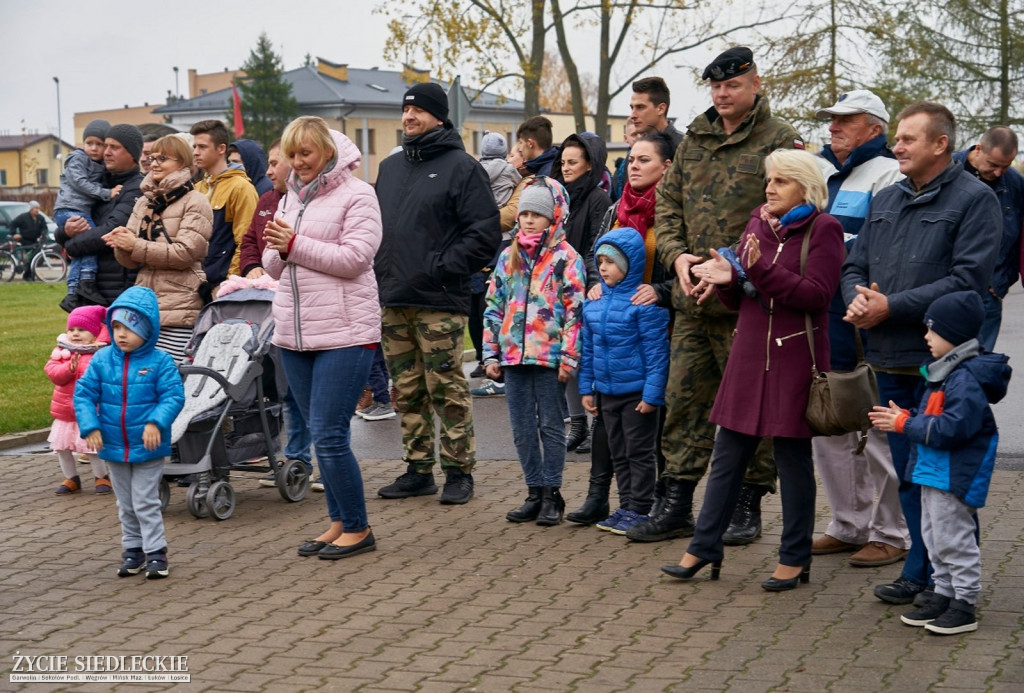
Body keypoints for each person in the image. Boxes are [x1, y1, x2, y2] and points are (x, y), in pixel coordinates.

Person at [640, 46, 804, 545]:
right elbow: (668, 204)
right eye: (714, 86)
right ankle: (677, 502)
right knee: (683, 400)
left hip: (749, 304)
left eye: (731, 85)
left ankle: (747, 502)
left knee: (752, 406)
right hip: (693, 300)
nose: (722, 94)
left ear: (756, 83)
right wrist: (677, 257)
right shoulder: (695, 141)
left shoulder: (780, 141)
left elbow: (791, 216)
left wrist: (728, 266)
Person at [662, 148, 844, 589]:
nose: (769, 187)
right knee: (727, 455)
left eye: (781, 180)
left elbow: (816, 296)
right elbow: (743, 294)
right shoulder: (757, 225)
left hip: (796, 358)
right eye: (769, 179)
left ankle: (795, 557)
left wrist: (756, 269)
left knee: (792, 458)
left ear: (806, 185)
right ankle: (704, 546)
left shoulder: (825, 229)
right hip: (748, 357)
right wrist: (726, 282)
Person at [842, 101, 1002, 605]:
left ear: (941, 144)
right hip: (888, 356)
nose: (898, 146)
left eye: (910, 138)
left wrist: (890, 306)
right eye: (898, 138)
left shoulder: (975, 200)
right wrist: (858, 300)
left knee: (944, 478)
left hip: (941, 366)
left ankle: (954, 583)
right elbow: (854, 264)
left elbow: (967, 282)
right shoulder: (886, 198)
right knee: (910, 473)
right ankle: (920, 569)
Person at [374, 81, 500, 505]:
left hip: (439, 300)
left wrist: (440, 266)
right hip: (393, 298)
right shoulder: (390, 169)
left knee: (446, 388)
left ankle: (459, 470)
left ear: (439, 117)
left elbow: (484, 235)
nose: (409, 117)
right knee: (406, 389)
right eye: (405, 110)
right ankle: (418, 468)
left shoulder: (462, 167)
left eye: (418, 111)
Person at [262, 116, 383, 560]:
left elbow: (355, 259)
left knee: (330, 434)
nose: (297, 162)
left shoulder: (360, 195)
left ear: (328, 153)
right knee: (318, 432)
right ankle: (338, 521)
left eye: (305, 153)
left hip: (346, 333)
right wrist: (277, 249)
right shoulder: (290, 199)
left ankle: (358, 527)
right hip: (296, 334)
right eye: (292, 154)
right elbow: (276, 266)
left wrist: (293, 245)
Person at [870, 291, 1010, 635]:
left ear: (954, 335)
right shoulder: (946, 374)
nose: (926, 337)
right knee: (934, 537)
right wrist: (909, 415)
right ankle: (944, 593)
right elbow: (934, 417)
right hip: (934, 473)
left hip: (952, 475)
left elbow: (952, 429)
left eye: (932, 330)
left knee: (954, 539)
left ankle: (965, 603)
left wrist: (905, 425)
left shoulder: (965, 379)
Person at [809, 90, 910, 568]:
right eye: (832, 120)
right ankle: (848, 524)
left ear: (874, 127)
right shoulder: (823, 173)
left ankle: (891, 532)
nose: (834, 128)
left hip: (866, 319)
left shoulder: (887, 172)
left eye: (845, 120)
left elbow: (880, 253)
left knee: (879, 427)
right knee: (829, 421)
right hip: (823, 317)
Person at [568, 131, 675, 526]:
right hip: (614, 315)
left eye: (644, 159)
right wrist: (599, 281)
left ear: (667, 167)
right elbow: (598, 254)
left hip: (655, 318)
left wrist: (660, 291)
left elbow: (683, 265)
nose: (634, 165)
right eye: (631, 159)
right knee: (609, 425)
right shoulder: (616, 209)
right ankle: (602, 495)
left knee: (644, 432)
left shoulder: (674, 213)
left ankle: (651, 502)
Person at [484, 178, 585, 526]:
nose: (528, 220)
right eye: (524, 212)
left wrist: (569, 357)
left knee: (551, 426)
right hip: (513, 358)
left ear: (553, 217)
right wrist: (490, 354)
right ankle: (534, 491)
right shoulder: (508, 256)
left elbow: (576, 311)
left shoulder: (566, 258)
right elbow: (494, 305)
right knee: (522, 428)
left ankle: (553, 493)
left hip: (549, 358)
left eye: (537, 214)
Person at [73, 286, 185, 579]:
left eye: (130, 328)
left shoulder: (160, 362)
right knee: (125, 502)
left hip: (148, 446)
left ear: (148, 329)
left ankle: (156, 552)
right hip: (113, 445)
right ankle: (132, 550)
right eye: (117, 327)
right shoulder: (101, 360)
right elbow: (83, 394)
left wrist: (155, 423)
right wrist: (90, 425)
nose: (121, 334)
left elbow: (173, 397)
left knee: (145, 500)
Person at [579, 228, 670, 535]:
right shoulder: (593, 304)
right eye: (600, 261)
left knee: (639, 452)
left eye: (611, 262)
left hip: (637, 394)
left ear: (629, 264)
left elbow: (658, 355)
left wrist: (652, 395)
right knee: (618, 451)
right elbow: (588, 350)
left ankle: (641, 508)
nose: (603, 267)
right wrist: (586, 389)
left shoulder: (643, 306)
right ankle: (625, 505)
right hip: (606, 392)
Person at [106, 134, 213, 365]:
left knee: (172, 376)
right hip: (144, 304)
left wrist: (135, 245)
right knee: (141, 376)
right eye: (152, 157)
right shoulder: (144, 201)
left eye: (162, 158)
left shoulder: (196, 201)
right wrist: (121, 245)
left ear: (182, 162)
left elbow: (186, 253)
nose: (153, 163)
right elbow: (131, 261)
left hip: (180, 305)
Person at [551, 132, 612, 453]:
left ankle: (594, 426)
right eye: (563, 162)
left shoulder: (598, 199)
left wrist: (588, 282)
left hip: (585, 288)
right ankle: (576, 424)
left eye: (573, 162)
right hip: (558, 289)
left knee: (588, 361)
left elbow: (596, 245)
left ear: (590, 165)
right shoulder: (558, 196)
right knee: (569, 359)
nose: (566, 168)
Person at [55, 124, 145, 307]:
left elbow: (110, 231)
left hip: (119, 288)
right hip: (90, 292)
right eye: (107, 146)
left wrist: (70, 246)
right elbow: (73, 216)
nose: (106, 152)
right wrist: (65, 232)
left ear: (133, 155)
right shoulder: (97, 186)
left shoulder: (137, 187)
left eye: (115, 147)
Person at [953, 126, 1024, 351]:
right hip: (946, 286)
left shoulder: (1014, 183)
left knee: (979, 367)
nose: (997, 173)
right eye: (993, 165)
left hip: (989, 291)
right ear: (979, 148)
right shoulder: (949, 169)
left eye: (1005, 166)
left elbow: (1020, 238)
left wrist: (1001, 282)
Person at [469, 131, 523, 378]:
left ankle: (483, 358)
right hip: (503, 238)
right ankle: (497, 357)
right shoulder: (511, 171)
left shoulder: (475, 171)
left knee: (477, 302)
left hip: (477, 238)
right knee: (497, 298)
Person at [46, 305, 111, 495]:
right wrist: (69, 369)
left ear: (95, 332)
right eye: (72, 329)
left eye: (82, 330)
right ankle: (71, 477)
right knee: (63, 447)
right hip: (65, 410)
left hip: (91, 410)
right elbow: (53, 374)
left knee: (91, 447)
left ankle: (101, 476)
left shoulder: (100, 353)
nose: (75, 334)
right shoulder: (62, 351)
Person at [190, 119, 258, 289]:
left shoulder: (241, 188)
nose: (196, 153)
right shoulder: (196, 188)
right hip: (195, 284)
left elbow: (245, 241)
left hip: (221, 286)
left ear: (221, 149)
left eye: (202, 147)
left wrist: (230, 282)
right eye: (194, 147)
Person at [629, 76, 685, 152]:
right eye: (632, 108)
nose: (632, 116)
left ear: (661, 109)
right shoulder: (637, 149)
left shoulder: (684, 146)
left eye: (640, 107)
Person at [610, 120, 639, 202]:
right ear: (626, 138)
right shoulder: (620, 170)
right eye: (634, 135)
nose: (639, 137)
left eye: (642, 133)